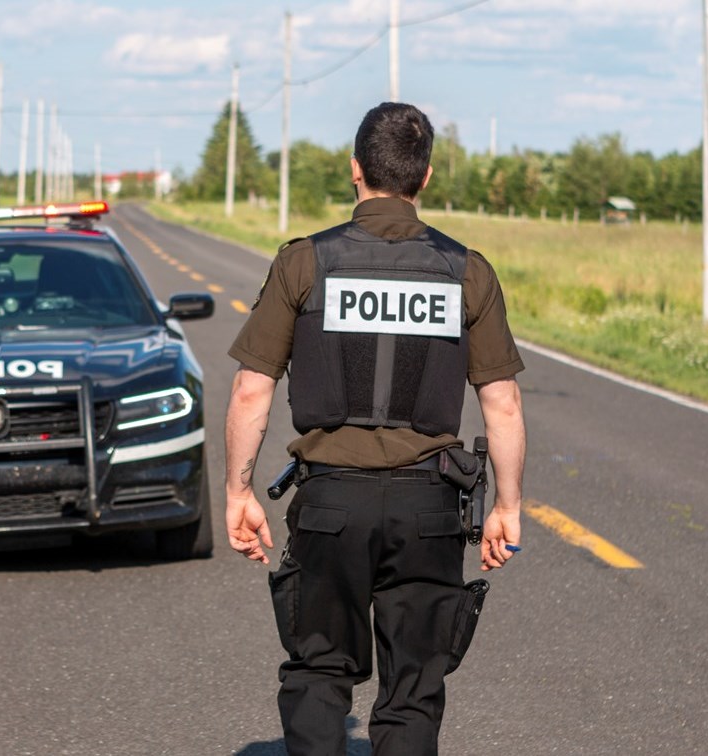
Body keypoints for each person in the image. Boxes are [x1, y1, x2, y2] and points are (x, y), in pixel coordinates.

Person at [223, 102, 527, 756]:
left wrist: (237, 491)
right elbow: (500, 403)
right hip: (429, 511)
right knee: (413, 687)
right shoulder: (466, 270)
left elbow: (252, 388)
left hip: (330, 502)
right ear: (425, 177)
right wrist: (507, 505)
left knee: (317, 670)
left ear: (355, 169)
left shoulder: (305, 263)